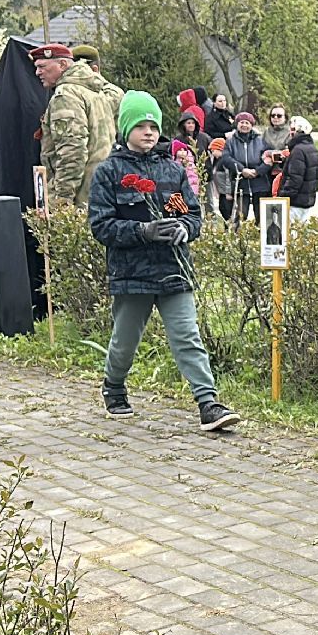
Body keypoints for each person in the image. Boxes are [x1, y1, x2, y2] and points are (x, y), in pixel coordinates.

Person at [88, 91, 240, 433]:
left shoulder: (172, 172)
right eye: (140, 125)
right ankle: (114, 386)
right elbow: (101, 225)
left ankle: (208, 403)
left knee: (187, 336)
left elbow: (190, 214)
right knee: (125, 341)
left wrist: (183, 230)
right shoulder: (109, 173)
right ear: (125, 128)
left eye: (153, 125)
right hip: (132, 275)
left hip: (173, 270)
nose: (148, 132)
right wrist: (143, 230)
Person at [33, 42, 123, 208]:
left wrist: (62, 201)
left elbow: (72, 151)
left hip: (81, 197)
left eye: (42, 66)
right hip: (102, 188)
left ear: (62, 64)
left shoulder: (66, 95)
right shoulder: (94, 91)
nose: (37, 72)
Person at [214, 112, 269, 225]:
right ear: (237, 124)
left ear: (252, 125)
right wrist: (242, 169)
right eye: (241, 122)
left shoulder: (260, 140)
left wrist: (257, 171)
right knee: (240, 217)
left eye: (247, 123)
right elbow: (226, 158)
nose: (244, 125)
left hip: (259, 183)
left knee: (262, 217)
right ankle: (239, 241)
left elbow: (268, 159)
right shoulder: (231, 141)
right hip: (240, 183)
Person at [277, 116, 318, 223]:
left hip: (295, 203)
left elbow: (294, 179)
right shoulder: (312, 148)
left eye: (292, 130)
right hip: (307, 200)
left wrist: (282, 196)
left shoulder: (298, 150)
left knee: (291, 235)